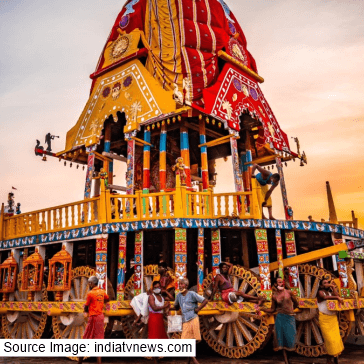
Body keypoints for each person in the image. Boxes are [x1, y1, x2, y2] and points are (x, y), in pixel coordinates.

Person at [260, 277, 298, 364]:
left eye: (282, 282)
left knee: (291, 338)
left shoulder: (289, 292)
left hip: (290, 317)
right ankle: (286, 360)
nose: (282, 283)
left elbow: (296, 303)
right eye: (279, 282)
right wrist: (263, 309)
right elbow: (272, 309)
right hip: (280, 318)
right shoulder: (274, 296)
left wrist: (291, 310)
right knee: (281, 339)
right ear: (275, 284)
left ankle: (289, 357)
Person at [174, 278, 208, 364]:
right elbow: (176, 307)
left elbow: (205, 300)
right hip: (185, 320)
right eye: (179, 284)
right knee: (185, 341)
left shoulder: (192, 294)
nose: (180, 286)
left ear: (186, 285)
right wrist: (167, 308)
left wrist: (198, 309)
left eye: (181, 284)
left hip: (193, 318)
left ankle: (189, 360)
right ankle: (193, 360)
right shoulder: (178, 296)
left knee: (192, 340)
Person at [78, 276, 109, 364]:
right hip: (100, 317)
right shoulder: (102, 292)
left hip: (93, 318)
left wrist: (85, 312)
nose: (89, 284)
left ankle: (79, 362)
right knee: (98, 340)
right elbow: (107, 299)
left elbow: (86, 306)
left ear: (92, 284)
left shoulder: (90, 293)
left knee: (86, 338)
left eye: (89, 283)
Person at [317, 280, 345, 364]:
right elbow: (325, 298)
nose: (326, 284)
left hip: (332, 318)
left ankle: (335, 359)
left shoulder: (329, 293)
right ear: (321, 285)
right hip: (324, 319)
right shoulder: (320, 292)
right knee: (329, 340)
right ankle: (329, 359)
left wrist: (333, 287)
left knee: (336, 339)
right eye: (324, 283)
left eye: (327, 282)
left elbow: (336, 296)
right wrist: (337, 298)